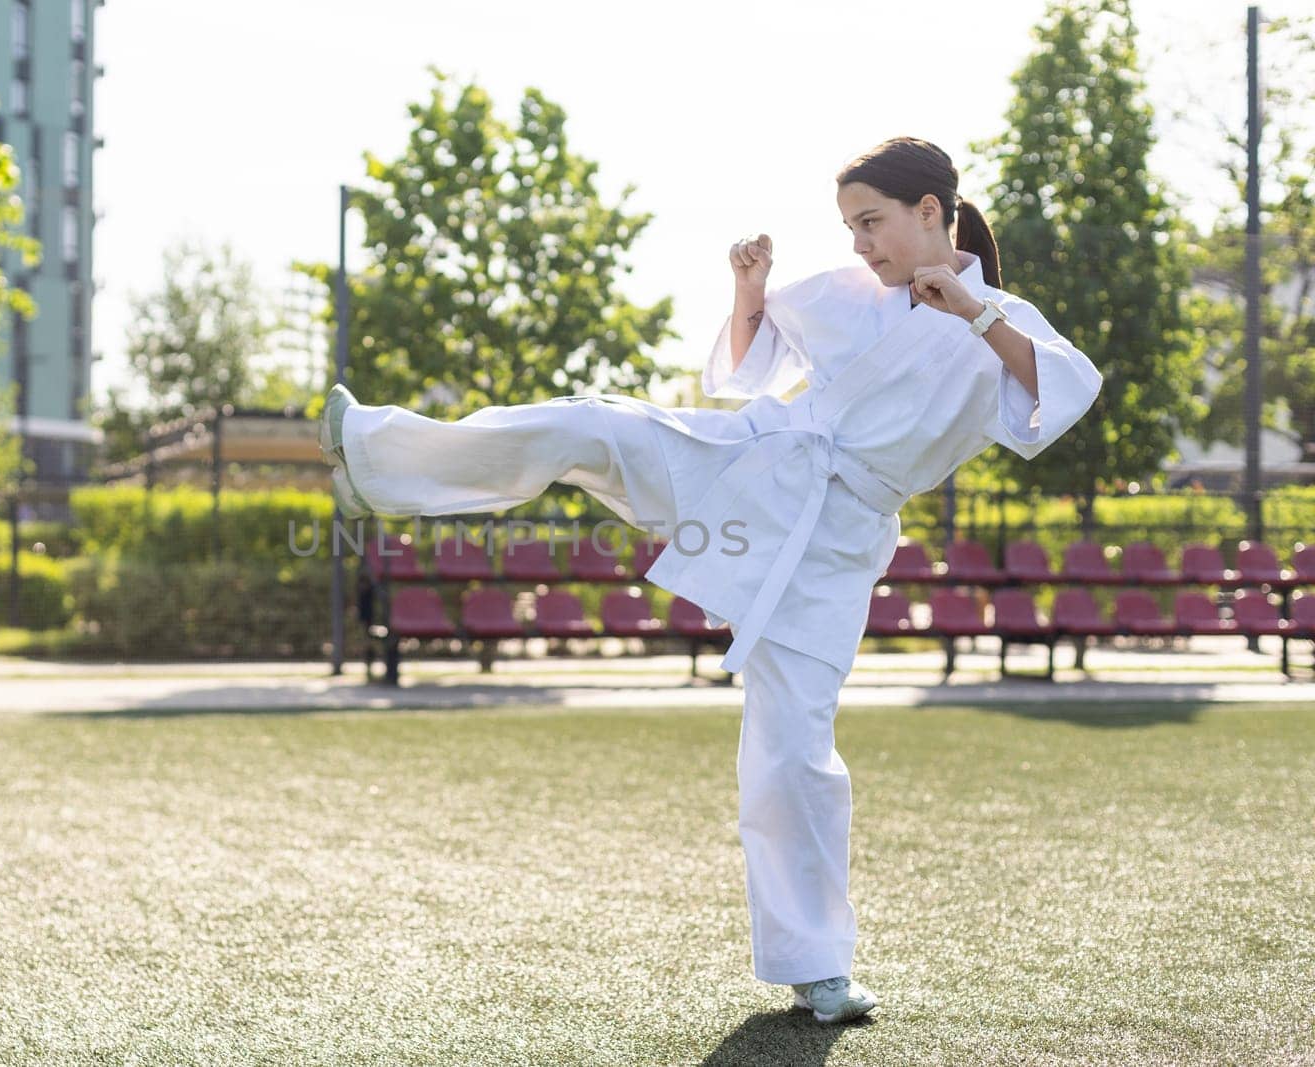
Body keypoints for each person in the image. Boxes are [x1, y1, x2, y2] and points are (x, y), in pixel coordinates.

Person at [317, 136, 1102, 1024]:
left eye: (871, 223)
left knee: (791, 750)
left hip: (835, 541)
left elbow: (1062, 398)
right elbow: (747, 367)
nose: (859, 246)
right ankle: (378, 454)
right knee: (592, 426)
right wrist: (749, 292)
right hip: (749, 465)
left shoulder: (1002, 316)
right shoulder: (853, 292)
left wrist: (969, 311)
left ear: (933, 211)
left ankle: (819, 968)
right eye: (849, 228)